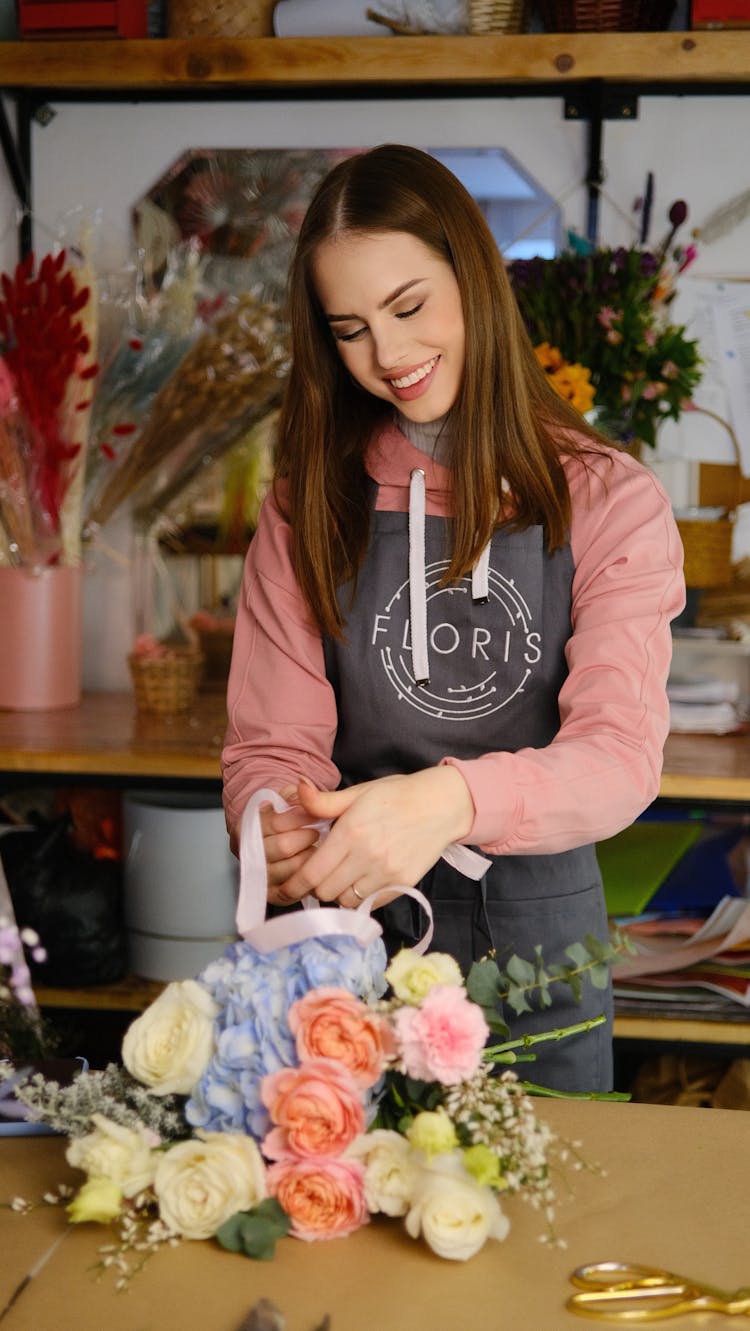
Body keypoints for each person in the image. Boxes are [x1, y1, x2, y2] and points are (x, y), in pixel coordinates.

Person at [222, 144, 685, 1092]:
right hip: (347, 946)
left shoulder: (607, 498)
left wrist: (447, 801)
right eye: (349, 329)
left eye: (408, 307)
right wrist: (268, 819)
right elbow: (270, 744)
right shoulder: (308, 502)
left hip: (540, 950)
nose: (387, 356)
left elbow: (620, 759)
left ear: (473, 277)